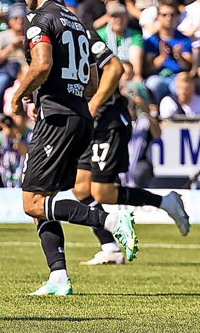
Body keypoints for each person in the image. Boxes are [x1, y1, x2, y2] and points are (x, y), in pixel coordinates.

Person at [10, 0, 137, 296]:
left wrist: (20, 94)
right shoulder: (77, 21)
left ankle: (110, 221)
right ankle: (58, 277)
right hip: (81, 115)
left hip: (57, 118)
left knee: (32, 203)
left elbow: (42, 64)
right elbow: (94, 79)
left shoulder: (42, 19)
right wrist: (74, 96)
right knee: (46, 199)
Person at [73, 29, 190, 266]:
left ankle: (165, 202)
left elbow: (114, 68)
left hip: (107, 121)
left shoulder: (83, 34)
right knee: (80, 187)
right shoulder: (55, 41)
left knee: (103, 193)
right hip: (89, 121)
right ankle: (110, 247)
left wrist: (94, 104)